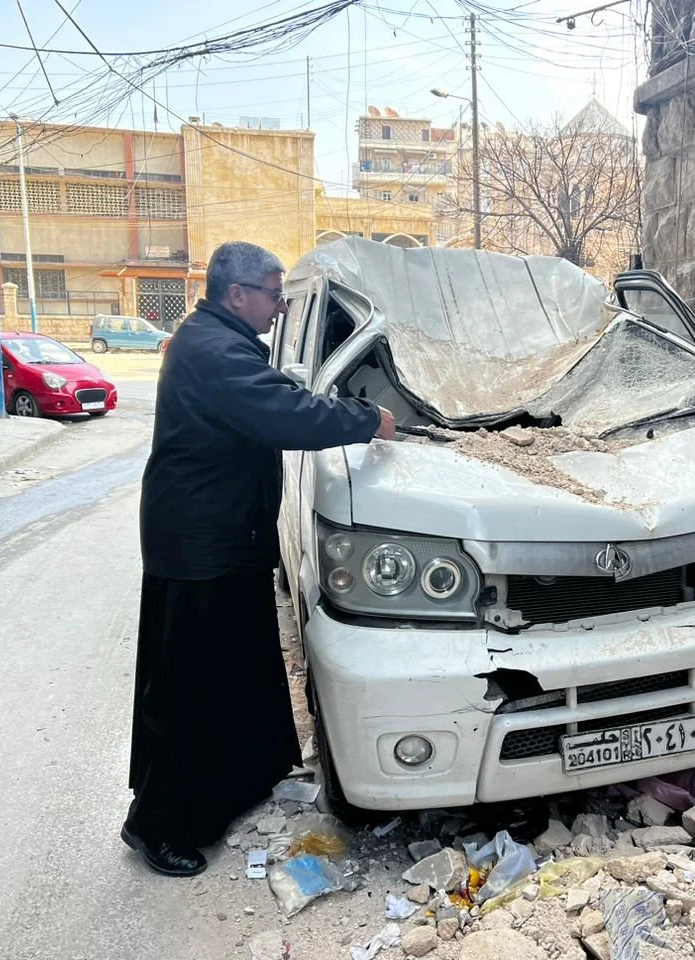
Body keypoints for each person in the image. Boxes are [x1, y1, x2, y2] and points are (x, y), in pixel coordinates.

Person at [123, 241, 395, 877]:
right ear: (237, 293)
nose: (278, 308)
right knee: (188, 689)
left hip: (225, 539)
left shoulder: (218, 338)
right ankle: (157, 823)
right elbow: (285, 412)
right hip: (198, 546)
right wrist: (368, 418)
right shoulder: (214, 351)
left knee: (236, 669)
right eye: (273, 295)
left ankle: (239, 783)